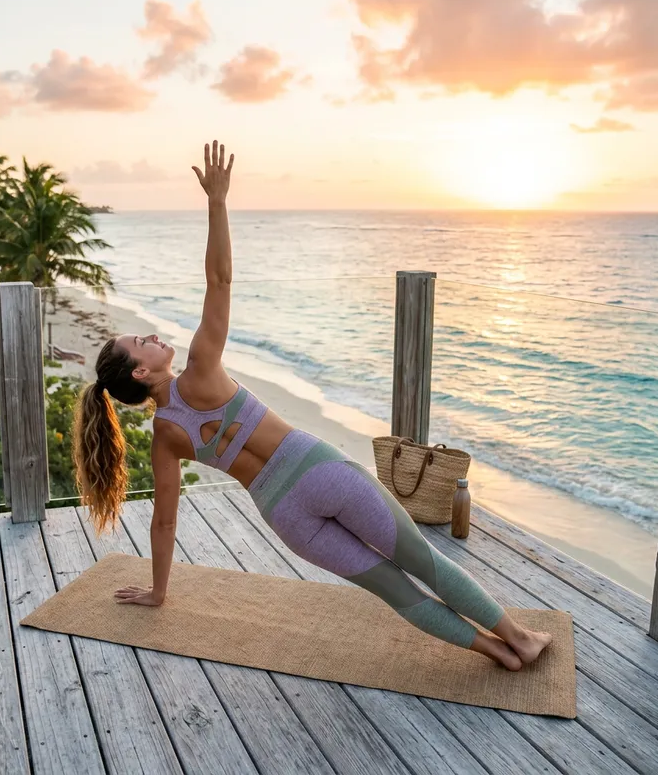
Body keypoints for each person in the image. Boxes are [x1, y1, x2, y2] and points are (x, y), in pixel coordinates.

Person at [73, 140, 552, 671]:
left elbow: (163, 524)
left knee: (395, 591)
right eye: (142, 341)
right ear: (142, 372)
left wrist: (160, 592)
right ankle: (520, 638)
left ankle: (495, 652)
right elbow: (220, 279)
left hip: (285, 517)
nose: (152, 336)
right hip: (318, 474)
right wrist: (217, 201)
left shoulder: (166, 435)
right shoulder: (201, 369)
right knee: (422, 561)